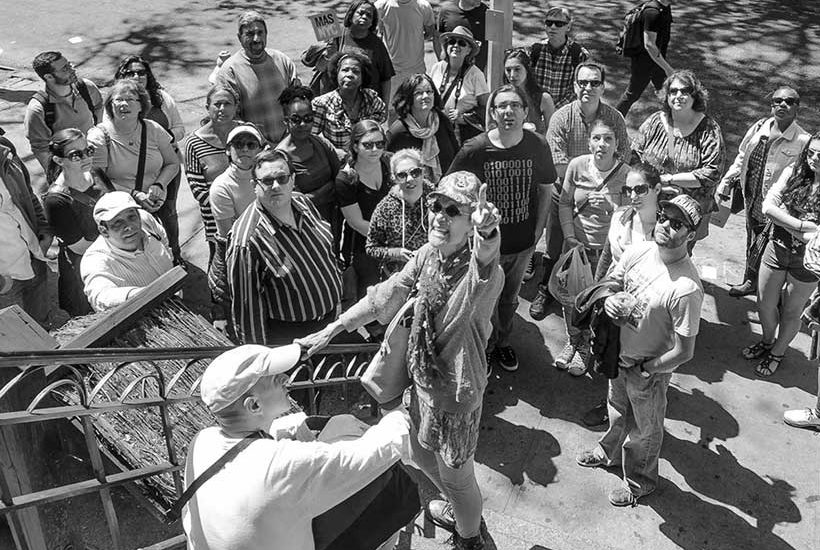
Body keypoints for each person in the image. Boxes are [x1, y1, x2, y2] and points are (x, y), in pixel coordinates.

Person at [299, 171, 504, 550]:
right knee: (423, 459)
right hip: (420, 383)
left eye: (453, 211)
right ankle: (464, 510)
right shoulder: (428, 255)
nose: (440, 216)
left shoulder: (479, 273)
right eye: (436, 206)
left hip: (455, 396)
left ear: (470, 219)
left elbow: (486, 266)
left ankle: (471, 536)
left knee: (457, 478)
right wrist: (333, 329)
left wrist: (488, 235)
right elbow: (385, 295)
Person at [182, 344, 416, 550]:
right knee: (395, 488)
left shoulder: (202, 440)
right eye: (275, 378)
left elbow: (255, 444)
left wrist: (300, 427)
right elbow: (373, 452)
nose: (286, 378)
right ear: (253, 405)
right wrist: (401, 410)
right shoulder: (282, 464)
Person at [576, 194, 704, 507]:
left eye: (677, 224)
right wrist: (609, 299)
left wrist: (649, 369)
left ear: (691, 235)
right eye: (663, 217)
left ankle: (640, 482)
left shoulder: (686, 288)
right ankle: (608, 452)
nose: (666, 227)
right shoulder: (641, 250)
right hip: (618, 356)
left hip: (649, 371)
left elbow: (685, 351)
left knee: (646, 430)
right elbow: (613, 281)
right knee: (616, 408)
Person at [449, 84, 557, 372]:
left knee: (509, 299)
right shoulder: (475, 149)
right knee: (479, 299)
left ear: (524, 111)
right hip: (484, 246)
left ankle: (502, 342)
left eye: (514, 105)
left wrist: (539, 230)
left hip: (522, 243)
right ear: (493, 113)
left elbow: (546, 189)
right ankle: (476, 348)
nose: (508, 111)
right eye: (501, 106)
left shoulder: (537, 145)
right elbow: (449, 190)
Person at [530, 61, 630, 320]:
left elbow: (624, 157)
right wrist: (588, 177)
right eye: (583, 82)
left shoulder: (614, 119)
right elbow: (557, 162)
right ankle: (547, 290)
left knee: (602, 248)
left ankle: (593, 295)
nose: (588, 87)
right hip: (563, 193)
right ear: (575, 86)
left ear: (603, 87)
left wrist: (604, 186)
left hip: (605, 194)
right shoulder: (562, 117)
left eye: (594, 82)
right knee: (555, 247)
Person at [223, 149, 342, 345]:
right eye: (267, 181)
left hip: (331, 323)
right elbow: (247, 313)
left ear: (292, 179)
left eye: (282, 178)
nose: (276, 186)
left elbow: (327, 252)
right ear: (255, 186)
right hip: (292, 339)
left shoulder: (303, 203)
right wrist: (261, 361)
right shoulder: (246, 241)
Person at [584, 162, 662, 428]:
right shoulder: (620, 217)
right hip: (616, 302)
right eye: (628, 189)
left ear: (657, 189)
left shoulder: (668, 227)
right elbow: (607, 256)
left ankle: (644, 419)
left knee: (642, 366)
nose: (633, 196)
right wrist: (597, 294)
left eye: (640, 189)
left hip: (649, 310)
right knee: (613, 356)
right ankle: (613, 406)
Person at [716, 86, 809, 297]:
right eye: (777, 101)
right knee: (752, 239)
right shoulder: (760, 127)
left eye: (788, 101)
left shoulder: (803, 141)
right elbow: (742, 157)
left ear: (797, 108)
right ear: (771, 105)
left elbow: (805, 177)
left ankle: (771, 296)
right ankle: (750, 281)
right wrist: (726, 182)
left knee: (771, 247)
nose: (782, 105)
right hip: (752, 197)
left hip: (777, 207)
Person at [741, 134, 820, 377]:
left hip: (808, 262)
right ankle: (766, 340)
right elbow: (768, 208)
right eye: (811, 153)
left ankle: (778, 351)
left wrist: (783, 218)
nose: (814, 159)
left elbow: (815, 238)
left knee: (791, 311)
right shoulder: (792, 174)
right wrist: (802, 226)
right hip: (776, 248)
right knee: (764, 303)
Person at [555, 119, 629, 375]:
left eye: (608, 139)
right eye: (597, 138)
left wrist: (611, 206)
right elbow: (565, 202)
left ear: (617, 144)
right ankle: (572, 340)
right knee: (571, 299)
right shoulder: (576, 166)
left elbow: (633, 215)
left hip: (606, 254)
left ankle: (586, 347)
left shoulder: (626, 174)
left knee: (595, 303)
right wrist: (568, 235)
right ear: (589, 141)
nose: (602, 144)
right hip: (577, 248)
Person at [632, 70, 725, 249]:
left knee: (675, 257)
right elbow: (634, 156)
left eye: (685, 91)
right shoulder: (654, 122)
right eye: (673, 91)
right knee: (643, 251)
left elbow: (712, 173)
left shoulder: (709, 129)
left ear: (695, 95)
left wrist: (670, 180)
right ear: (666, 96)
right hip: (651, 204)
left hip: (685, 216)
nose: (678, 96)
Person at [115, 55, 186, 263]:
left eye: (141, 72)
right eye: (130, 73)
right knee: (140, 215)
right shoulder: (117, 101)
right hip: (132, 171)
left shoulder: (162, 98)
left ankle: (175, 253)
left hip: (167, 166)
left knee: (168, 212)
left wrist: (163, 138)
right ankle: (150, 258)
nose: (137, 76)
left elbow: (180, 128)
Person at [43, 128, 115, 316]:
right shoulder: (55, 200)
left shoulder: (97, 172)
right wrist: (121, 242)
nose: (86, 158)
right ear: (59, 160)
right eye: (76, 155)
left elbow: (116, 206)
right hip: (85, 269)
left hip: (115, 256)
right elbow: (79, 247)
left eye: (88, 150)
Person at [87, 80, 180, 215]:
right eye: (118, 100)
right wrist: (135, 195)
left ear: (141, 106)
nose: (124, 104)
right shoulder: (98, 137)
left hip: (155, 204)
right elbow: (98, 181)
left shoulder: (153, 129)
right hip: (119, 210)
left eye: (130, 99)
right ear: (110, 105)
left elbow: (172, 163)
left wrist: (159, 185)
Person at [215, 10, 300, 144]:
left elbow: (297, 103)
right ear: (239, 37)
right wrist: (260, 144)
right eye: (250, 34)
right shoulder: (229, 71)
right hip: (253, 150)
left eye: (260, 33)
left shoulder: (282, 61)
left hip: (289, 145)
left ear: (266, 34)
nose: (257, 39)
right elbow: (230, 117)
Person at [80, 191, 174, 312]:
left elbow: (164, 241)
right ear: (103, 231)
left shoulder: (145, 219)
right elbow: (100, 296)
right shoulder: (95, 260)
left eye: (131, 217)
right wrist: (144, 295)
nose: (129, 226)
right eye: (117, 222)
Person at [336, 120, 392, 304]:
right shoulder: (346, 178)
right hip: (363, 247)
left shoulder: (389, 163)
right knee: (371, 299)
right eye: (368, 145)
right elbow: (356, 222)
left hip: (393, 241)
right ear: (355, 146)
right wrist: (390, 240)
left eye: (379, 144)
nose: (375, 149)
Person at [184, 86, 242, 261]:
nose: (222, 109)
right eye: (217, 104)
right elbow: (198, 191)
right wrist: (229, 213)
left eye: (227, 104)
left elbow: (262, 168)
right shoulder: (194, 143)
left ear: (236, 107)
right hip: (217, 223)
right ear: (207, 107)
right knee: (221, 266)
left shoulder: (247, 133)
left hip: (251, 217)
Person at [25, 51, 103, 178]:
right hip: (70, 173)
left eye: (69, 64)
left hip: (98, 163)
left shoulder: (87, 88)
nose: (72, 69)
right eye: (65, 68)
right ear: (49, 77)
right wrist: (61, 179)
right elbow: (41, 150)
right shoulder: (38, 109)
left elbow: (100, 113)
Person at [0, 135, 52, 326]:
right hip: (5, 282)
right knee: (14, 344)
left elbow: (27, 196)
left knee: (42, 329)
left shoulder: (5, 148)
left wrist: (44, 230)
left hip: (34, 257)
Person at [275, 85, 342, 223]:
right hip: (305, 222)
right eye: (296, 119)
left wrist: (319, 194)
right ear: (286, 121)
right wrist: (329, 188)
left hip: (333, 215)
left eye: (308, 118)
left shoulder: (322, 144)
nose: (303, 124)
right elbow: (294, 199)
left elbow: (340, 177)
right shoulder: (280, 157)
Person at [366, 148, 433, 278]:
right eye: (402, 175)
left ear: (423, 171)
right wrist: (396, 253)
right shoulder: (385, 208)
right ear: (394, 178)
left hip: (433, 272)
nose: (409, 179)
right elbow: (371, 248)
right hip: (399, 278)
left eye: (415, 172)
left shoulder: (437, 199)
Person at [386, 73, 458, 180]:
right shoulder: (397, 131)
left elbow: (456, 155)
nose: (426, 96)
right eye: (419, 93)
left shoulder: (442, 121)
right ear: (409, 98)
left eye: (429, 92)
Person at [312, 51, 387, 151]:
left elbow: (382, 116)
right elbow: (312, 137)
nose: (349, 75)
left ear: (363, 77)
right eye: (345, 70)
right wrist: (332, 151)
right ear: (336, 73)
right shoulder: (322, 104)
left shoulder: (371, 98)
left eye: (355, 71)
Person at [375, 0, 440, 112]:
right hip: (392, 72)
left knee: (418, 110)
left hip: (416, 70)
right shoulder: (381, 6)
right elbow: (376, 33)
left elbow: (430, 32)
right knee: (394, 112)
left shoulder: (423, 6)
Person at [428, 26, 488, 145]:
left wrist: (463, 117)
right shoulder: (437, 68)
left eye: (461, 43)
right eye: (452, 42)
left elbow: (485, 107)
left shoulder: (476, 74)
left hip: (464, 134)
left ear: (469, 50)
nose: (456, 46)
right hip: (436, 129)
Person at [616, 0, 674, 117]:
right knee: (632, 95)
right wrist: (668, 69)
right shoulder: (652, 12)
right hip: (644, 63)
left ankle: (673, 124)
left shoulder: (665, 7)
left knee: (667, 92)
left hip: (658, 61)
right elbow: (649, 45)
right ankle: (611, 124)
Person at [529, 7, 590, 114]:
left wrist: (553, 111)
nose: (552, 27)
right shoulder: (535, 50)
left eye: (559, 24)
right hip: (537, 111)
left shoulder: (578, 53)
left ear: (568, 26)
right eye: (549, 23)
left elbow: (580, 88)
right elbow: (527, 83)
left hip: (565, 113)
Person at [209, 125, 265, 239]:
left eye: (251, 145)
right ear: (228, 150)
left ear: (260, 150)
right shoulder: (221, 187)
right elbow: (228, 235)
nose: (245, 149)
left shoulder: (269, 176)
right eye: (239, 145)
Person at [337, 0, 396, 102]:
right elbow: (322, 67)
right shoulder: (337, 37)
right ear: (351, 15)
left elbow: (386, 79)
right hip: (340, 101)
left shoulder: (377, 44)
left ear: (372, 22)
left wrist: (385, 106)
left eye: (369, 15)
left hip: (369, 104)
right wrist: (326, 53)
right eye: (360, 13)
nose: (364, 17)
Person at [502, 48, 552, 134]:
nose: (512, 75)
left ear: (527, 69)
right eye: (508, 70)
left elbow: (552, 133)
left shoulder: (543, 98)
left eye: (517, 69)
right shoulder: (499, 96)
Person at [437, 0, 489, 72]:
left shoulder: (486, 13)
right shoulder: (446, 11)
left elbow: (494, 42)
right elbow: (438, 36)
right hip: (450, 71)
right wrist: (441, 59)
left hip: (477, 71)